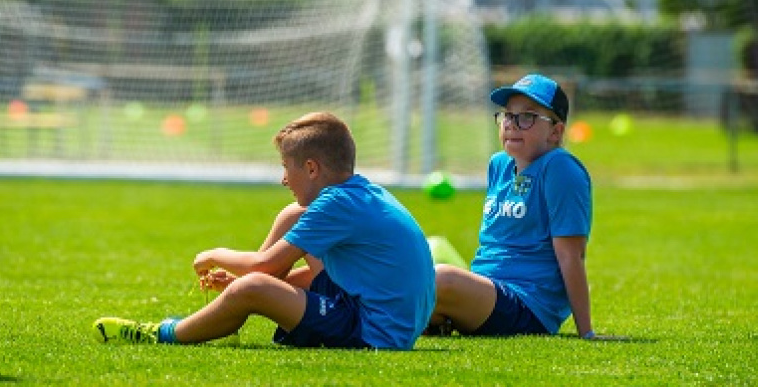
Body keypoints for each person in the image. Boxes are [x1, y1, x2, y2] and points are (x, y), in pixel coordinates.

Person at [93, 111, 435, 351]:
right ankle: (225, 309)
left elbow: (263, 268)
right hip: (382, 319)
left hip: (373, 333)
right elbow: (338, 274)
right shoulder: (360, 194)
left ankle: (162, 334)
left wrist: (216, 255)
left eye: (287, 167)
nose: (283, 179)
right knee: (291, 220)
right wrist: (268, 285)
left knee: (254, 285)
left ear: (312, 168)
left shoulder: (337, 205)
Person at [427, 72, 595, 339]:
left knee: (441, 279)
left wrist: (586, 332)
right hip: (489, 292)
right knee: (413, 270)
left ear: (556, 131)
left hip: (528, 304)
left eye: (527, 117)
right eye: (507, 115)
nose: (511, 124)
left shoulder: (560, 168)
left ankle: (431, 316)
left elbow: (571, 255)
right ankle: (433, 318)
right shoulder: (499, 164)